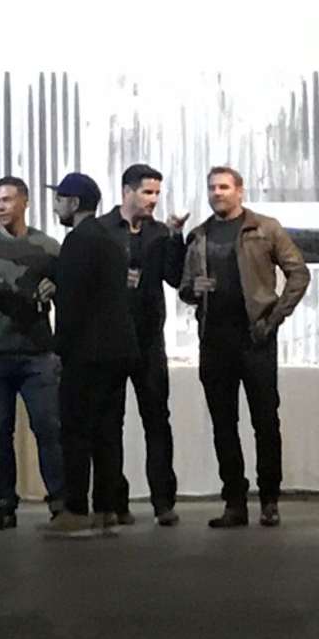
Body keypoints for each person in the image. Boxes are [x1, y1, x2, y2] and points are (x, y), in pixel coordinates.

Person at [179, 164, 310, 528]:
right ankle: (234, 503)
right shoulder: (199, 235)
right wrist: (193, 290)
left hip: (255, 339)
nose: (217, 193)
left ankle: (269, 500)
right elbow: (185, 286)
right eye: (212, 187)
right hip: (214, 340)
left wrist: (273, 318)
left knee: (265, 422)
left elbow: (299, 274)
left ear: (239, 191)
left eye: (223, 187)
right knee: (223, 425)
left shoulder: (264, 228)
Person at [0, 174, 64, 531]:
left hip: (37, 352)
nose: (1, 206)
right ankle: (5, 503)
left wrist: (56, 287)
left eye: (7, 199)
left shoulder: (47, 247)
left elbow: (69, 286)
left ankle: (60, 502)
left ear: (25, 202)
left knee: (48, 428)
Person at [44, 172, 135, 534]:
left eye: (59, 199)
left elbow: (73, 303)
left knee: (76, 430)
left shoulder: (78, 241)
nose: (56, 206)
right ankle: (107, 508)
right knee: (108, 432)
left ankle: (76, 509)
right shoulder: (110, 239)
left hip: (86, 352)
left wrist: (59, 349)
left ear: (74, 203)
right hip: (118, 349)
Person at [117, 164, 184, 527]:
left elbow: (174, 278)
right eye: (147, 192)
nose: (154, 200)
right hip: (111, 340)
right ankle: (114, 501)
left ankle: (163, 502)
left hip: (148, 341)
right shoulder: (104, 231)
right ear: (127, 191)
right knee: (108, 423)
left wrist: (175, 237)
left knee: (157, 420)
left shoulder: (160, 233)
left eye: (157, 193)